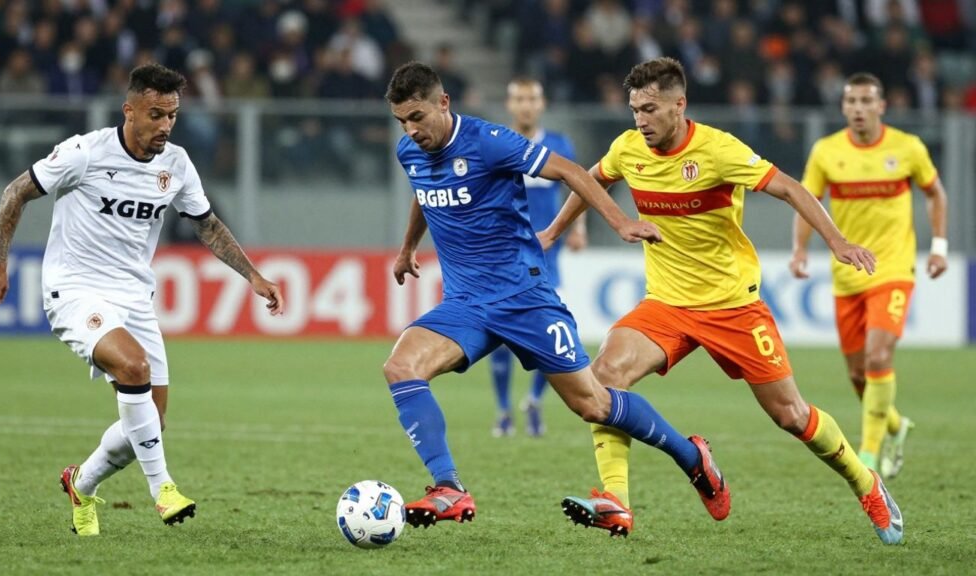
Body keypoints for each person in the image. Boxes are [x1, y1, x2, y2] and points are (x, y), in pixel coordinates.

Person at [539, 57, 904, 545]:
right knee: (604, 378)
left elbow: (791, 189)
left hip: (732, 305)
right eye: (633, 110)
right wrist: (551, 233)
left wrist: (835, 242)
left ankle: (866, 483)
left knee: (791, 415)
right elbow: (590, 182)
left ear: (679, 104)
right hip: (667, 303)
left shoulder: (717, 150)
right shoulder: (628, 148)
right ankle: (617, 501)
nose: (640, 121)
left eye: (649, 109)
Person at [384, 61, 729, 537]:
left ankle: (693, 457)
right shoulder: (410, 152)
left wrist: (620, 222)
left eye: (417, 117)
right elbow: (424, 192)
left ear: (443, 103)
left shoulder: (489, 141)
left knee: (593, 404)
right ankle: (449, 487)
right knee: (401, 367)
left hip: (523, 296)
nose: (410, 130)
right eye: (402, 121)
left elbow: (568, 170)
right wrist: (406, 248)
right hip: (466, 302)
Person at [0, 63, 285, 537]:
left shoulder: (175, 163)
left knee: (150, 422)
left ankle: (81, 482)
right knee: (134, 370)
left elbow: (206, 224)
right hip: (75, 288)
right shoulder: (85, 152)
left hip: (135, 296)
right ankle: (163, 489)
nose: (165, 126)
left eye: (173, 116)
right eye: (156, 114)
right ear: (130, 110)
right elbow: (15, 192)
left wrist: (252, 275)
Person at [790, 72, 948, 479]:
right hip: (847, 276)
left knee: (880, 356)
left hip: (893, 267)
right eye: (851, 102)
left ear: (881, 106)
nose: (858, 109)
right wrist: (800, 250)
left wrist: (939, 247)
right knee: (860, 375)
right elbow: (808, 202)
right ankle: (895, 425)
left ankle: (871, 454)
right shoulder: (827, 151)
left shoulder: (907, 147)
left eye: (866, 101)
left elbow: (935, 193)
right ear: (843, 107)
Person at [489, 76, 587, 438]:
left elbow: (578, 185)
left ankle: (532, 400)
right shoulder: (497, 144)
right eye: (520, 99)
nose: (526, 105)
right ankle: (502, 410)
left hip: (546, 256)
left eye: (532, 98)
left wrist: (579, 228)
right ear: (510, 104)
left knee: (553, 334)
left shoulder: (559, 145)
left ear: (541, 104)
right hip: (504, 254)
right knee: (499, 337)